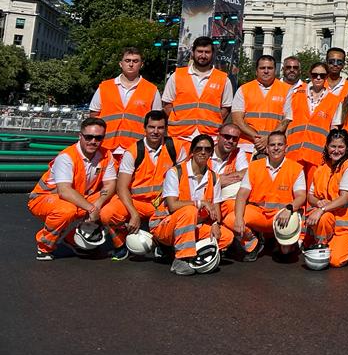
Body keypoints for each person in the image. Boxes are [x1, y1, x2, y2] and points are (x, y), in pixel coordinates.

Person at [28, 117, 117, 260]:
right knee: (66, 210)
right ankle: (44, 247)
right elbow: (64, 191)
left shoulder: (106, 155)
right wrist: (92, 208)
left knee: (113, 203)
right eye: (88, 137)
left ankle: (73, 240)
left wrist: (99, 204)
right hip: (44, 198)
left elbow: (110, 184)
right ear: (80, 136)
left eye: (98, 138)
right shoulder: (67, 157)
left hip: (78, 198)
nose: (93, 141)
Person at [100, 110, 185, 260]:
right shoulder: (133, 151)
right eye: (152, 127)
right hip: (137, 202)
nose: (155, 131)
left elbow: (185, 179)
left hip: (161, 204)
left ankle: (162, 242)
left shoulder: (176, 147)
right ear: (144, 128)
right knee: (107, 213)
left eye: (160, 128)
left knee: (177, 216)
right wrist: (133, 213)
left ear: (166, 129)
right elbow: (121, 187)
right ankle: (120, 244)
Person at [150, 134, 233, 276]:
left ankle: (179, 249)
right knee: (190, 210)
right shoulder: (175, 172)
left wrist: (214, 224)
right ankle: (180, 259)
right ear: (192, 151)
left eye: (207, 149)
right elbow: (172, 205)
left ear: (211, 153)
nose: (203, 152)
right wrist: (200, 203)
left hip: (193, 226)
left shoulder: (214, 177)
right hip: (165, 224)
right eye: (198, 148)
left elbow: (216, 212)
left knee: (226, 237)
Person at [226, 131, 306, 261]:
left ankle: (279, 242)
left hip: (282, 215)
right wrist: (239, 218)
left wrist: (289, 208)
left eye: (280, 144)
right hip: (260, 215)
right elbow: (242, 195)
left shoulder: (295, 168)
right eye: (272, 145)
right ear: (267, 148)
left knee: (285, 253)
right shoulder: (254, 167)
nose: (276, 148)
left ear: (286, 148)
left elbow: (301, 196)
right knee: (231, 220)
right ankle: (254, 242)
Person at [89, 46, 162, 159]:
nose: (131, 64)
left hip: (137, 148)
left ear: (141, 65)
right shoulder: (105, 87)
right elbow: (94, 116)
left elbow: (157, 121)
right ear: (120, 63)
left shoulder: (151, 89)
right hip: (106, 147)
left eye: (135, 61)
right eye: (127, 60)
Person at [304, 129, 348, 267]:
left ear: (347, 148)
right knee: (323, 219)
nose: (336, 151)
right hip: (327, 221)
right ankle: (322, 244)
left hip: (344, 226)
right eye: (333, 146)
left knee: (335, 261)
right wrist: (318, 202)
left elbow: (344, 198)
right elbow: (310, 196)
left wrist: (321, 209)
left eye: (341, 147)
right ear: (327, 147)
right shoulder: (322, 168)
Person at [163, 36, 233, 149]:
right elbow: (167, 105)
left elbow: (226, 108)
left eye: (207, 52)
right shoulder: (177, 76)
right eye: (200, 51)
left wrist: (213, 120)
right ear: (193, 52)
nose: (203, 56)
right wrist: (178, 121)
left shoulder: (223, 79)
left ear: (213, 54)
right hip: (179, 137)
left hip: (210, 137)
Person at [284, 62, 342, 181]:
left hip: (317, 157)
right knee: (292, 191)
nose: (318, 78)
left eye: (322, 75)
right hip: (293, 154)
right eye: (315, 75)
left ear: (326, 77)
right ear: (310, 75)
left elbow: (334, 129)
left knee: (312, 193)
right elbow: (286, 123)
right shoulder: (295, 95)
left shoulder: (335, 101)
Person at [232, 55, 290, 154]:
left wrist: (269, 139)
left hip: (275, 147)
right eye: (262, 68)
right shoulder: (244, 89)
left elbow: (287, 120)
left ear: (275, 70)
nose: (266, 71)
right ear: (256, 71)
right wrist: (258, 138)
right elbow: (237, 121)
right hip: (247, 146)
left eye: (270, 68)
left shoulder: (287, 90)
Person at [209, 122, 249, 220]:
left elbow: (246, 173)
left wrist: (216, 181)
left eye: (235, 139)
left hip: (224, 202)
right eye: (227, 137)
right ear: (218, 137)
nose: (230, 141)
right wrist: (218, 181)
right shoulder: (206, 151)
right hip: (205, 201)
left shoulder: (238, 152)